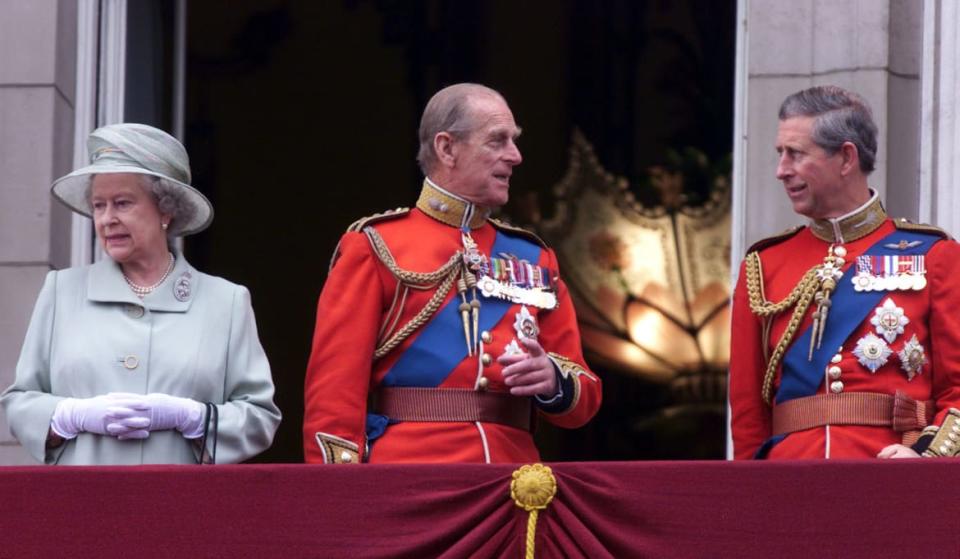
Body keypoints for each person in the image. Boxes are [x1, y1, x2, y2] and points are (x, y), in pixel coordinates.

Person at [303, 83, 601, 464]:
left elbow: (585, 395)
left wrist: (552, 381)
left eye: (514, 140)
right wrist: (341, 496)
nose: (515, 155)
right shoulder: (376, 245)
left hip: (515, 479)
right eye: (498, 141)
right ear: (447, 148)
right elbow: (334, 393)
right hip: (408, 476)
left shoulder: (534, 257)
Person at [1, 123, 281, 465]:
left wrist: (193, 417)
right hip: (78, 508)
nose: (107, 219)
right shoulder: (61, 291)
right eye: (99, 206)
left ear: (165, 209)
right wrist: (70, 415)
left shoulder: (226, 302)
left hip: (181, 510)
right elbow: (19, 403)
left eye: (122, 203)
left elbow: (260, 418)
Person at [730, 85, 960, 460]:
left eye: (795, 154)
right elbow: (748, 414)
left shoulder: (935, 255)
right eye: (779, 154)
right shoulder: (763, 266)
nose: (781, 170)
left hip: (891, 479)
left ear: (846, 158)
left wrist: (926, 459)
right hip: (789, 485)